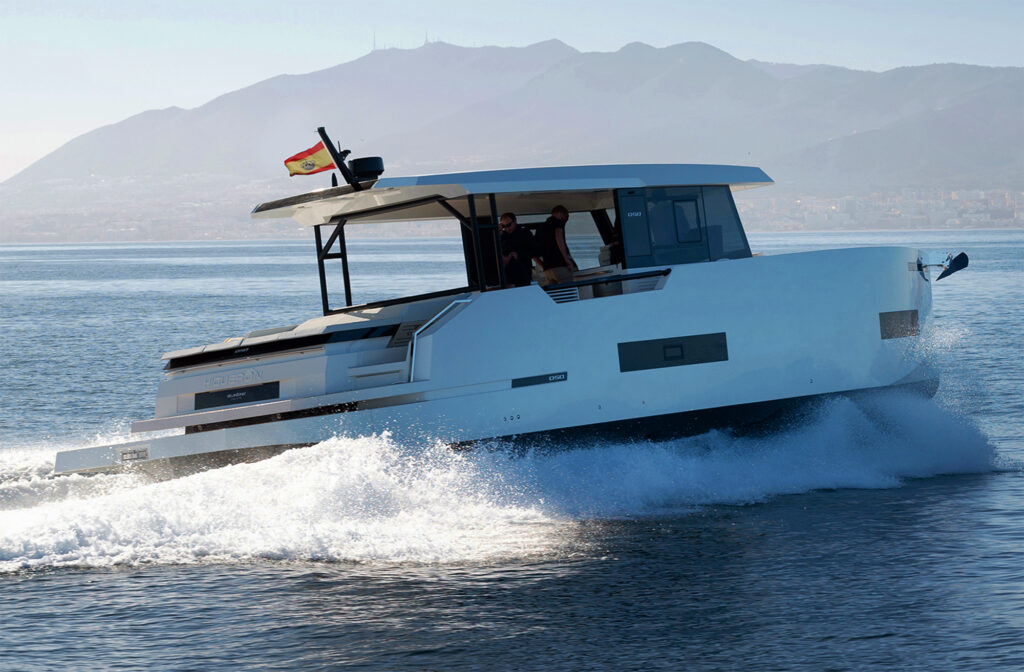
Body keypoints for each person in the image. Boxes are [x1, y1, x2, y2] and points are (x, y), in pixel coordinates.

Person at [535, 205, 577, 285]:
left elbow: (533, 251)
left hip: (548, 270)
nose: (566, 220)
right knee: (568, 290)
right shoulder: (558, 223)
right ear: (561, 214)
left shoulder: (540, 228)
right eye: (566, 216)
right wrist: (567, 260)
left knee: (556, 292)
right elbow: (559, 238)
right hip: (561, 265)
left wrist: (543, 265)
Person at [499, 212, 536, 287]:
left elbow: (535, 251)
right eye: (504, 226)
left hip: (523, 273)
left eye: (509, 225)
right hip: (508, 274)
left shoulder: (525, 233)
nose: (507, 228)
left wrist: (518, 255)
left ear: (515, 221)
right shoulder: (503, 236)